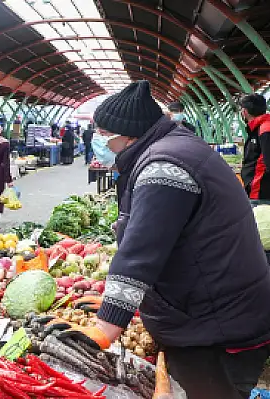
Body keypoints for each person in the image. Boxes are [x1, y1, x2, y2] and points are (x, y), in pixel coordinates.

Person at [47, 81, 270, 399]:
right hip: (214, 312)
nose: (102, 141)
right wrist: (131, 305)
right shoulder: (171, 147)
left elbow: (142, 250)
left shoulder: (164, 167)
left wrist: (106, 326)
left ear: (127, 133)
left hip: (218, 328)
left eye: (104, 133)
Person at [240, 94, 270, 204]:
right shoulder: (258, 128)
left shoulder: (265, 129)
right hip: (256, 189)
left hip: (260, 192)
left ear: (245, 111)